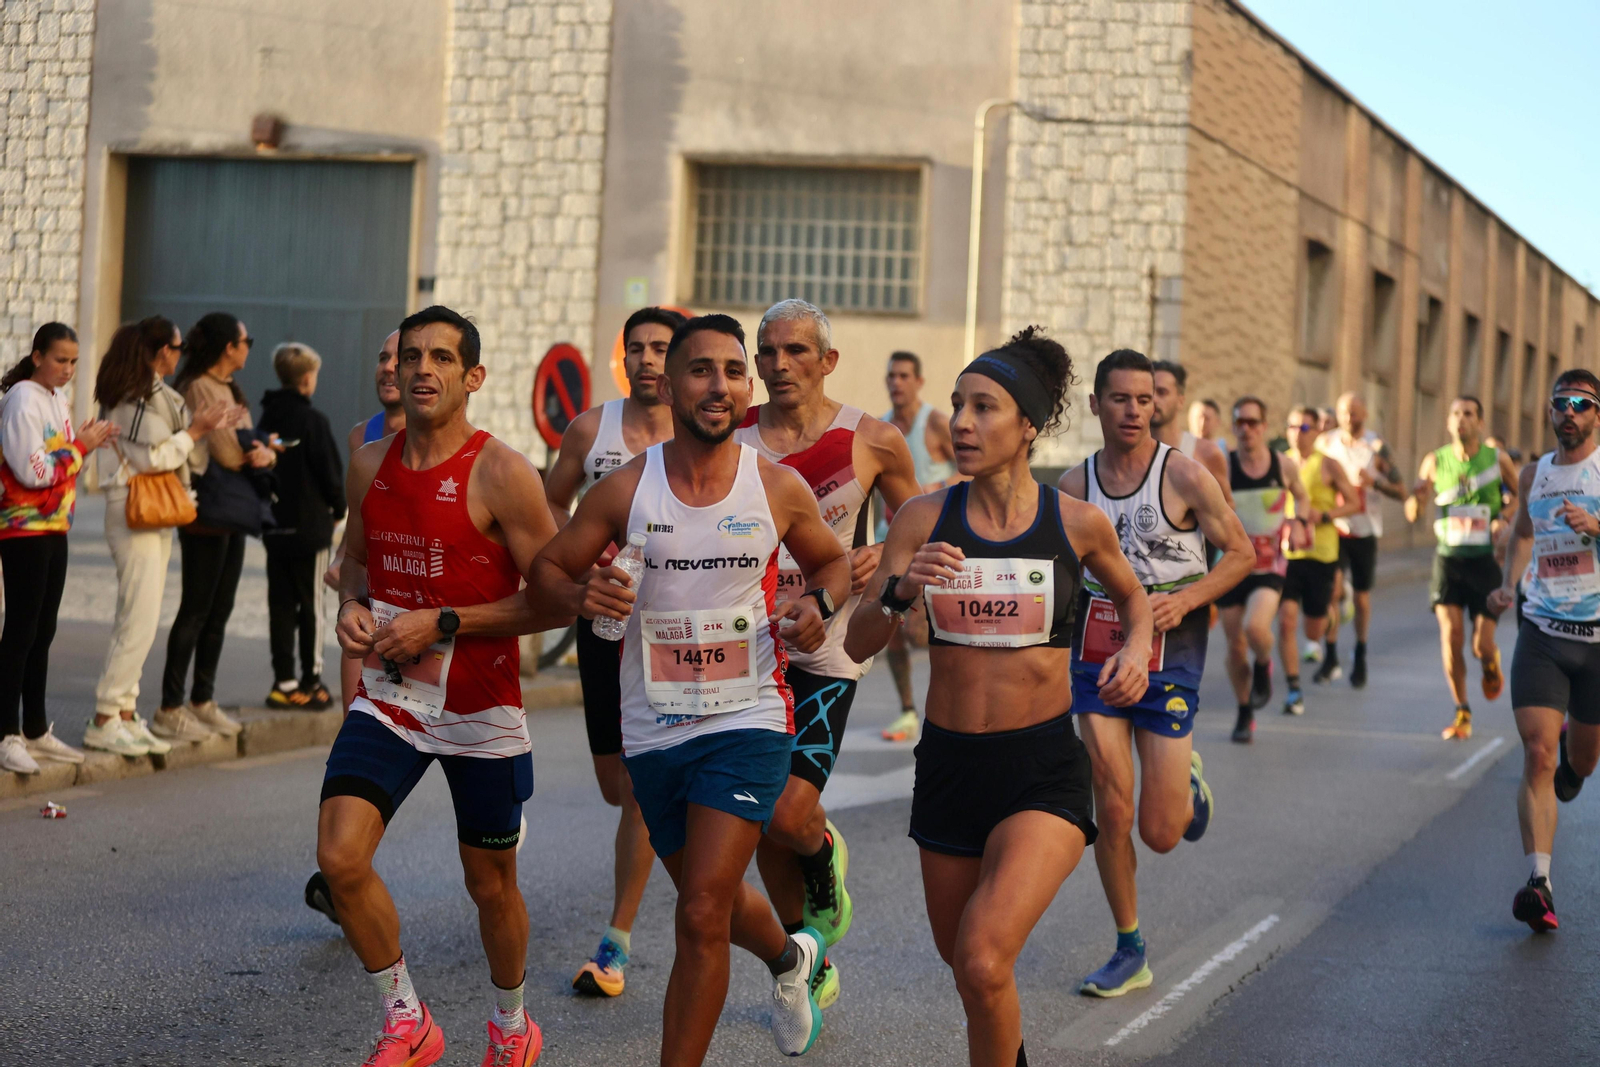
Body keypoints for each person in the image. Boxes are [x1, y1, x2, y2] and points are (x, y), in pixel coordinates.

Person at [529, 313, 853, 1065]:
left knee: (700, 911)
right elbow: (546, 568)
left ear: (747, 388)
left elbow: (833, 564)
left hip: (749, 719)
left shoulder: (775, 485)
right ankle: (792, 958)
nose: (720, 385)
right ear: (669, 385)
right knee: (716, 902)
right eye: (701, 370)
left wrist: (818, 605)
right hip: (654, 728)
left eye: (734, 371)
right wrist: (581, 595)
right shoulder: (625, 489)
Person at [842, 329, 1155, 1067]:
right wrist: (899, 590)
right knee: (968, 967)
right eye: (958, 405)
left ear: (1029, 426)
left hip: (1040, 768)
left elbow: (1134, 601)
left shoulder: (1074, 523)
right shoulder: (923, 518)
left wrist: (1135, 651)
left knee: (984, 958)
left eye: (984, 407)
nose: (962, 422)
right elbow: (856, 642)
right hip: (950, 767)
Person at [320, 305, 559, 1067]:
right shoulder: (369, 462)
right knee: (340, 857)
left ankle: (512, 1022)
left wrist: (444, 621)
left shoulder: (503, 472)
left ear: (472, 376)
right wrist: (351, 606)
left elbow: (555, 598)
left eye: (441, 357)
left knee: (490, 884)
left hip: (480, 709)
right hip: (391, 697)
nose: (421, 369)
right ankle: (408, 1018)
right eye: (411, 355)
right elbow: (355, 562)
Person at [736, 299, 921, 1007]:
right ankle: (803, 959)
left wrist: (884, 555)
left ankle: (822, 860)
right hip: (748, 641)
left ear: (828, 361)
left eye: (797, 351)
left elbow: (920, 522)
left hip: (830, 642)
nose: (780, 364)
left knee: (788, 813)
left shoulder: (873, 440)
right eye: (769, 352)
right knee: (760, 815)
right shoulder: (733, 435)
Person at [1059, 349, 1251, 997]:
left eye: (1145, 399)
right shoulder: (1075, 487)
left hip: (1173, 648)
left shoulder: (1186, 475)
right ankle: (1129, 947)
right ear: (1096, 404)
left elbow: (1241, 553)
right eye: (1120, 399)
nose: (1135, 411)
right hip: (1099, 650)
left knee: (1161, 832)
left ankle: (1185, 782)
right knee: (1111, 806)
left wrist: (1188, 599)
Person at [541, 305, 682, 997]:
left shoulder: (701, 429)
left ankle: (615, 942)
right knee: (613, 784)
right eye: (638, 348)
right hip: (604, 622)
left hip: (675, 628)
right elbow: (549, 504)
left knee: (638, 790)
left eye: (661, 347)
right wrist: (581, 558)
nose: (648, 358)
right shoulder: (589, 430)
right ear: (624, 359)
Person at [89, 317, 240, 758]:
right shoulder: (132, 398)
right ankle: (105, 715)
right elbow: (154, 458)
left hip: (150, 513)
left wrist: (201, 429)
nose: (181, 354)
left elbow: (177, 450)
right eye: (176, 347)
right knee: (135, 618)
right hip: (132, 509)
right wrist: (195, 432)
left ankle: (125, 711)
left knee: (144, 616)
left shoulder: (156, 396)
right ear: (159, 352)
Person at [1489, 370, 1600, 932]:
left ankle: (1574, 768)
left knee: (1582, 761)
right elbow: (1524, 534)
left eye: (1581, 403)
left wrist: (1597, 526)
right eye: (1562, 403)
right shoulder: (1534, 474)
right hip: (1544, 631)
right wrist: (1508, 583)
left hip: (1597, 642)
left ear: (1597, 414)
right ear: (1551, 410)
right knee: (1537, 754)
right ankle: (1540, 883)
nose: (1569, 412)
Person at [306, 330, 403, 927]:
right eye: (384, 357)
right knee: (358, 743)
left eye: (403, 357)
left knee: (458, 757)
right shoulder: (360, 436)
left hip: (436, 629)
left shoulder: (465, 447)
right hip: (369, 616)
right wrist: (344, 567)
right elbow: (357, 521)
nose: (390, 367)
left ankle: (496, 820)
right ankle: (344, 876)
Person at [0, 324, 117, 775]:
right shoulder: (23, 399)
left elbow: (61, 463)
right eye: (59, 360)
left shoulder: (56, 399)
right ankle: (6, 733)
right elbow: (33, 471)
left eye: (73, 361)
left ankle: (34, 729)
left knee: (43, 630)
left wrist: (79, 446)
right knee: (21, 630)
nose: (68, 369)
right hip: (24, 526)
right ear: (37, 357)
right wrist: (79, 447)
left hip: (54, 524)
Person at [160, 312, 276, 743]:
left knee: (220, 610)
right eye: (247, 341)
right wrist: (256, 451)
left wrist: (264, 451)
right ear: (230, 347)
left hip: (232, 512)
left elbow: (248, 442)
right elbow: (228, 453)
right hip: (207, 514)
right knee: (195, 609)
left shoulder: (228, 387)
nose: (248, 349)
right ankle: (170, 706)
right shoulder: (198, 387)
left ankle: (201, 700)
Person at [1405, 397, 1519, 740]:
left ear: (1480, 423)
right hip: (1449, 559)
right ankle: (1462, 711)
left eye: (1468, 414)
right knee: (1451, 635)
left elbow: (1521, 497)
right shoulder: (1435, 461)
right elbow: (1413, 514)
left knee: (1480, 645)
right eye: (1455, 414)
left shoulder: (1496, 459)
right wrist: (1417, 499)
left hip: (1485, 560)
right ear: (1448, 421)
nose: (1461, 419)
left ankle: (1490, 661)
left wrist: (1503, 518)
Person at [876, 349, 960, 742]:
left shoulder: (937, 423)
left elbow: (973, 470)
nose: (896, 382)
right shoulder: (880, 429)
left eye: (904, 375)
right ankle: (908, 710)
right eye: (891, 376)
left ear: (919, 382)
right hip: (889, 538)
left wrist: (933, 489)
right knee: (889, 626)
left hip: (934, 542)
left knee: (925, 633)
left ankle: (947, 708)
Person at [1217, 395, 1309, 743]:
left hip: (1269, 565)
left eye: (1252, 423)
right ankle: (1244, 712)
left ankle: (1264, 663)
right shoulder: (1224, 466)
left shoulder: (1282, 465)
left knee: (1256, 628)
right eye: (1240, 423)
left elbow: (1302, 496)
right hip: (1230, 565)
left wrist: (1298, 522)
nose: (1246, 430)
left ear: (1264, 427)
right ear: (1233, 427)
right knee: (1234, 646)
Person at [259, 343, 345, 710]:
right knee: (311, 605)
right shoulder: (314, 422)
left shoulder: (265, 421)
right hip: (310, 531)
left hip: (274, 527)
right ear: (308, 379)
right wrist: (339, 509)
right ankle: (311, 681)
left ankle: (284, 682)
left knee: (280, 605)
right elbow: (331, 474)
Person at [1315, 392, 1404, 686]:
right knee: (1331, 590)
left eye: (1353, 412)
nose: (1348, 418)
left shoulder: (1376, 447)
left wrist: (1374, 482)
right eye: (1343, 412)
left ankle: (1360, 652)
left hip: (1365, 530)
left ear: (1365, 413)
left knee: (1362, 599)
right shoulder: (1326, 443)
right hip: (1334, 528)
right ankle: (1330, 655)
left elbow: (1401, 491)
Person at [1278, 405, 1359, 717]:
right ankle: (1294, 689)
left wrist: (1324, 515)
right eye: (1292, 427)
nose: (1297, 434)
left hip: (1321, 554)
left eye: (1303, 428)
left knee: (1313, 630)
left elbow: (1353, 502)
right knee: (1286, 621)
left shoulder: (1328, 464)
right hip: (1287, 554)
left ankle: (1333, 612)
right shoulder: (1280, 462)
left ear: (1315, 432)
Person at [1150, 360, 1231, 502]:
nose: (1154, 399)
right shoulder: (1126, 451)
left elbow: (1227, 506)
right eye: (1148, 393)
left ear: (1180, 401)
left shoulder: (1206, 453)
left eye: (1162, 392)